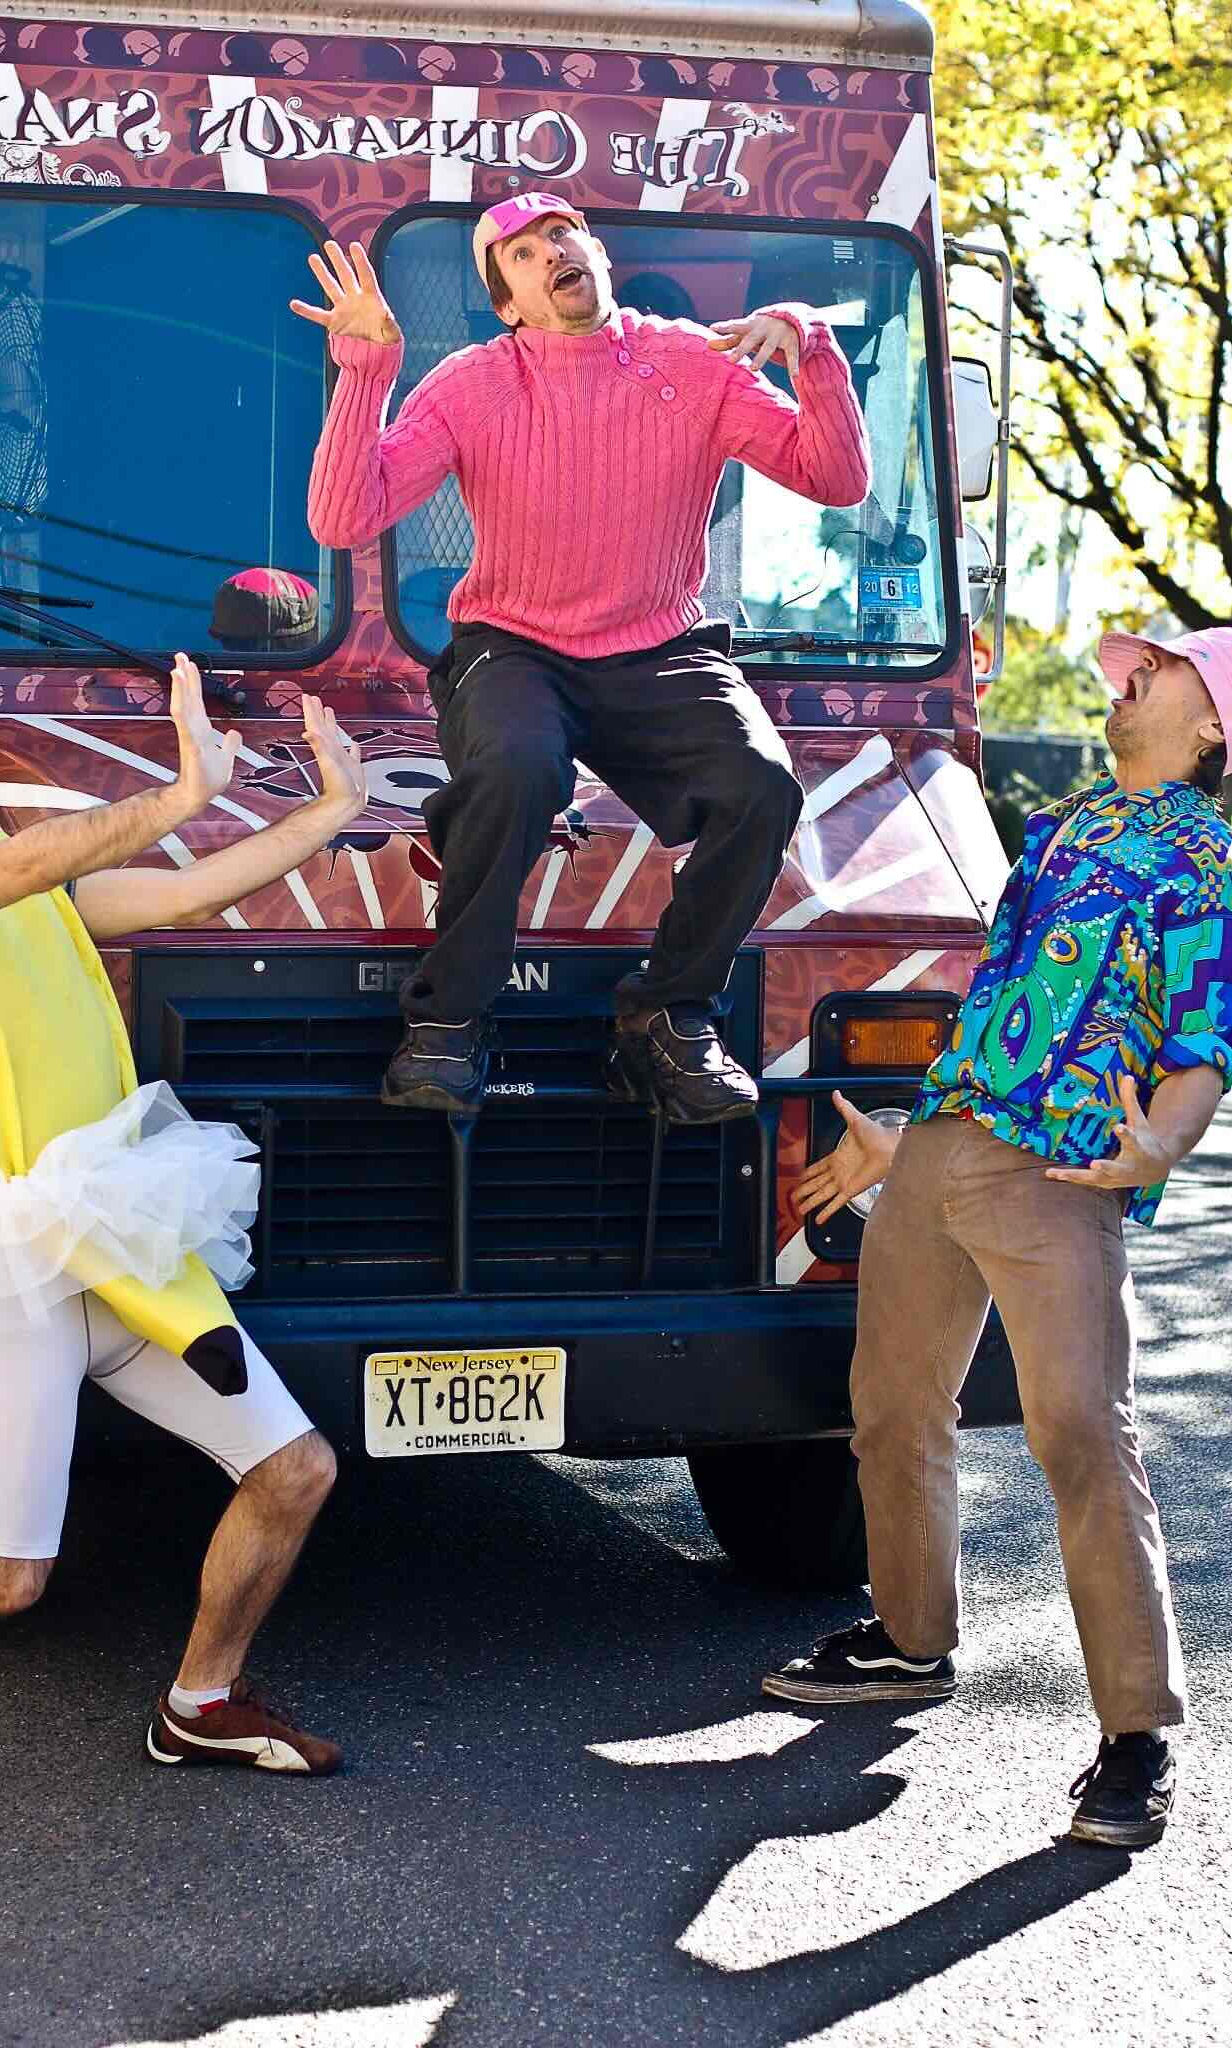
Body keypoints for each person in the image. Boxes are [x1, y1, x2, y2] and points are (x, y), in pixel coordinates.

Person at [763, 625, 1232, 1850]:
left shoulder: (1207, 863)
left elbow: (1200, 1047)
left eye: (1162, 665)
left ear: (1210, 723)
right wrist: (902, 1139)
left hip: (1063, 1172)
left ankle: (1134, 1734)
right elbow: (996, 994)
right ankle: (909, 1641)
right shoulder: (1067, 824)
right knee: (890, 1402)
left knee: (1079, 1427)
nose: (1129, 673)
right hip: (949, 1141)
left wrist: (1159, 1149)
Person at [0, 658, 365, 1775]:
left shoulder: (29, 901)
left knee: (294, 1469)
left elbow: (183, 894)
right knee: (3, 1571)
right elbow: (14, 861)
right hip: (11, 1264)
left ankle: (202, 1698)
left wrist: (328, 811)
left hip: (117, 1234)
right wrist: (184, 789)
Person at [292, 193, 871, 1120]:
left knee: (761, 786)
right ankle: (448, 1025)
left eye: (560, 235)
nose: (549, 252)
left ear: (596, 253)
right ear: (509, 303)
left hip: (660, 645)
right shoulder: (470, 383)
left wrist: (808, 341)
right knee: (516, 767)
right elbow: (341, 518)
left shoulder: (694, 361)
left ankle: (666, 1021)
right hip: (514, 644)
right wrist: (367, 373)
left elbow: (833, 479)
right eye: (520, 254)